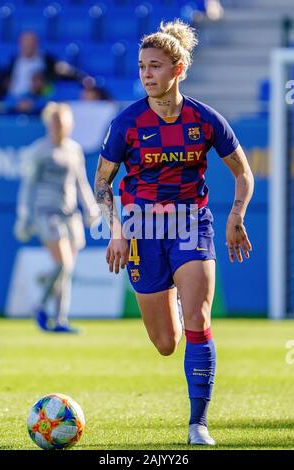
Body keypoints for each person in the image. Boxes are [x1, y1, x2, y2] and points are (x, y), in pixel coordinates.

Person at [94, 19, 254, 445]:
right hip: (141, 231)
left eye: (156, 66)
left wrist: (235, 215)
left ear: (178, 69)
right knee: (167, 343)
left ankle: (198, 424)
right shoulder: (127, 123)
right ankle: (179, 309)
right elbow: (102, 183)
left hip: (191, 224)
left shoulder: (205, 119)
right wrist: (115, 230)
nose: (147, 74)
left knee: (200, 319)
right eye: (143, 66)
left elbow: (244, 174)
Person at [14, 102, 101, 333]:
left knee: (67, 268)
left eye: (62, 123)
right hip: (46, 213)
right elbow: (28, 186)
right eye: (54, 123)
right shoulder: (39, 151)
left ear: (69, 125)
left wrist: (91, 208)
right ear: (48, 124)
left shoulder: (74, 150)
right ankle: (40, 306)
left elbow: (81, 182)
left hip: (70, 213)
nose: (58, 128)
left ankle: (60, 319)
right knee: (64, 263)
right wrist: (24, 216)